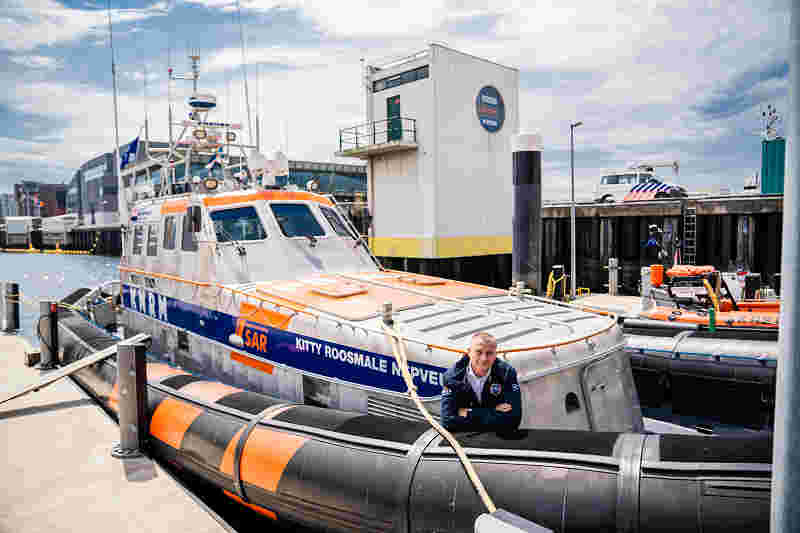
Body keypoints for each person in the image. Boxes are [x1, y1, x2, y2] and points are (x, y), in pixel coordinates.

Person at [440, 332, 522, 434]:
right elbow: (447, 421)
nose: (484, 358)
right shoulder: (453, 377)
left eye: (489, 353)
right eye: (479, 352)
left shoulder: (506, 373)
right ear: (469, 352)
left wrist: (467, 413)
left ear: (495, 354)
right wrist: (493, 411)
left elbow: (514, 419)